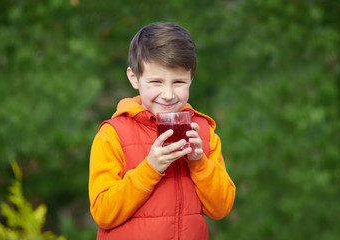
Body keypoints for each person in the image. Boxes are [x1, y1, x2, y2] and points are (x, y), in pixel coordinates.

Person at [89, 22, 235, 240]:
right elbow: (103, 212)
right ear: (134, 78)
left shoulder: (203, 133)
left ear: (191, 79)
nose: (168, 94)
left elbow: (221, 207)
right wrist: (150, 168)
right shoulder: (113, 135)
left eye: (178, 82)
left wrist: (199, 163)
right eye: (156, 82)